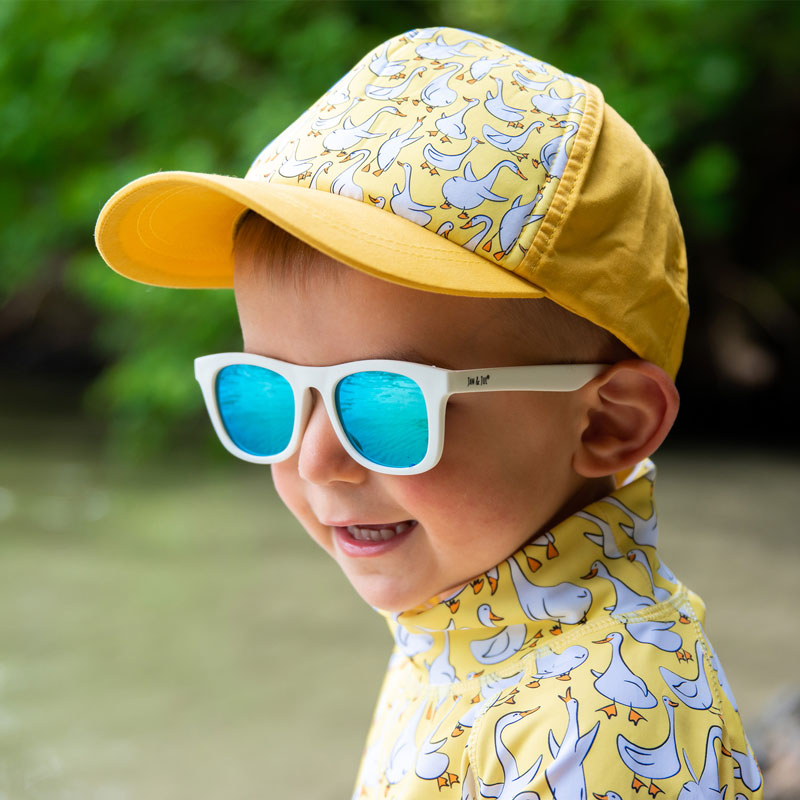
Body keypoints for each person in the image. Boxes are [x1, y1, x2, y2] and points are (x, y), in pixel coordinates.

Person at [94, 26, 763, 800]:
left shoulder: (604, 719)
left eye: (385, 401)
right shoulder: (462, 614)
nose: (315, 461)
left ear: (608, 423)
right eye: (266, 394)